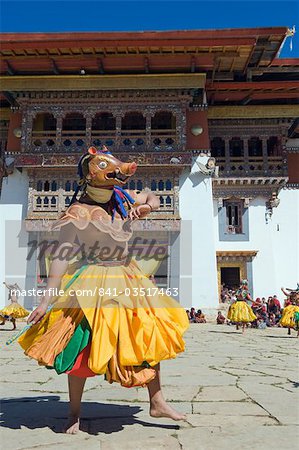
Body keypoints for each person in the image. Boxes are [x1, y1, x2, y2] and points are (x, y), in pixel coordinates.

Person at [18, 146, 189, 433]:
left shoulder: (122, 198)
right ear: (90, 175)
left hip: (128, 277)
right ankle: (73, 412)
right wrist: (46, 301)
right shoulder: (77, 212)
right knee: (81, 345)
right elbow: (61, 255)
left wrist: (146, 207)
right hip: (92, 280)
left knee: (147, 334)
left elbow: (153, 198)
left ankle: (157, 401)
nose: (119, 178)